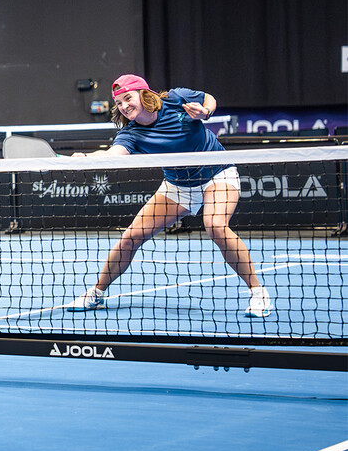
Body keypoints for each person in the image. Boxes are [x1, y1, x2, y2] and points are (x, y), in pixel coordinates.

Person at [67, 74, 272, 318]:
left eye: (128, 98)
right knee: (131, 237)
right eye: (119, 102)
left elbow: (209, 99)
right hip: (178, 186)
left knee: (215, 225)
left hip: (217, 173)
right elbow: (114, 153)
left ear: (144, 94)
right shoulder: (130, 134)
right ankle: (97, 294)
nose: (124, 106)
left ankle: (258, 293)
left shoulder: (176, 99)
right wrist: (87, 159)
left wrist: (205, 112)